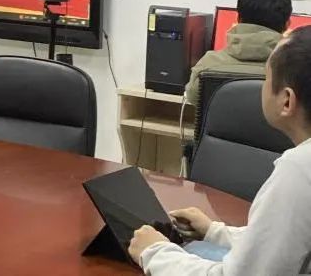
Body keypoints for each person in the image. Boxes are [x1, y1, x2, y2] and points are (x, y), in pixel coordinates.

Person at [128, 27, 311, 274]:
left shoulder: (299, 172)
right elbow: (284, 241)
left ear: (286, 100)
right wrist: (216, 232)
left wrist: (154, 251)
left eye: (266, 77)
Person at [185, 0, 291, 106]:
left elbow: (192, 98)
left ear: (238, 19)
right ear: (287, 24)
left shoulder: (209, 63)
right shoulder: (295, 69)